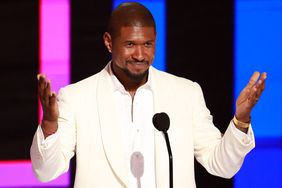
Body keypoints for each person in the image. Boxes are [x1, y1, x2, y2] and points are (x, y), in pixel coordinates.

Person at [30, 2, 267, 188]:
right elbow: (46, 171)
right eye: (131, 44)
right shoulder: (76, 97)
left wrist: (241, 121)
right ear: (109, 42)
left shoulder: (186, 93)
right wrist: (50, 125)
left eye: (148, 44)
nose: (141, 54)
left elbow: (222, 165)